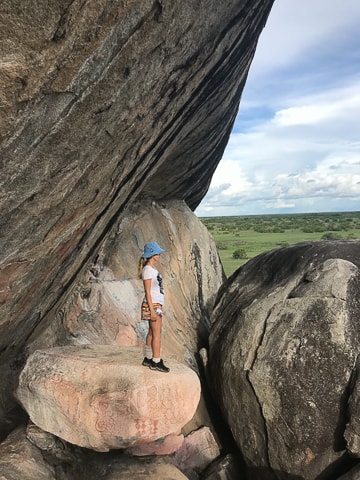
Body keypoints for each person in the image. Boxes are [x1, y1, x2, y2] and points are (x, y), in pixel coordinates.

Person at [138, 241, 170, 373]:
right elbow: (147, 292)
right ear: (152, 254)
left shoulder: (149, 269)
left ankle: (147, 358)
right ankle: (156, 361)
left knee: (151, 333)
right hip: (153, 305)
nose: (160, 254)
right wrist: (152, 310)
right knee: (157, 334)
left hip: (155, 304)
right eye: (158, 253)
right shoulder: (148, 271)